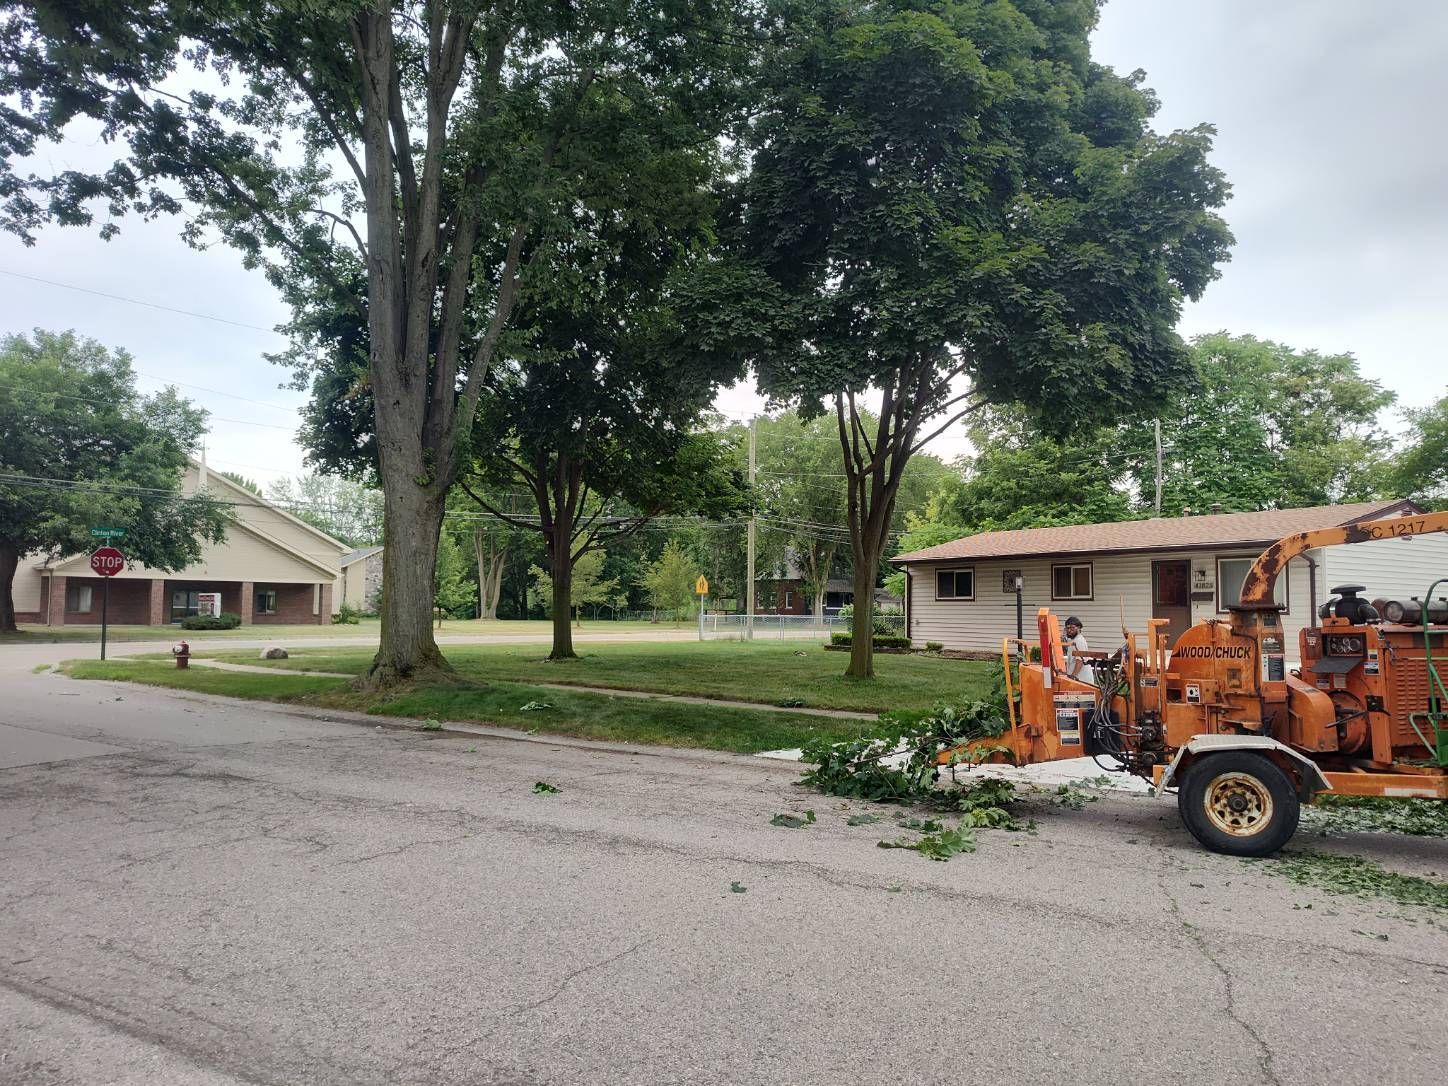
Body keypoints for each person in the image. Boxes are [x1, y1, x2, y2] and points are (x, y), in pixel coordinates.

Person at [1063, 615, 1095, 685]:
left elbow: (1080, 660)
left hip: (1082, 679)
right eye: (1067, 628)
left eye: (1072, 628)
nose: (1069, 630)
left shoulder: (1079, 641)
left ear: (1079, 628)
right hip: (1079, 679)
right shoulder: (1074, 640)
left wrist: (1073, 676)